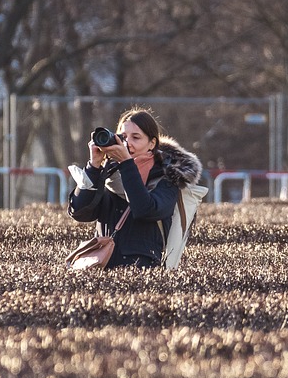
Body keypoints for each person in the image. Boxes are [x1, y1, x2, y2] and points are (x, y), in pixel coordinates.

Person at [68, 108, 203, 268]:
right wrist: (94, 166)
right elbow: (80, 212)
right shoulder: (110, 173)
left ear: (152, 143)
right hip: (101, 267)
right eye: (123, 137)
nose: (127, 143)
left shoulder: (167, 177)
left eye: (136, 137)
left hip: (142, 272)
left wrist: (126, 164)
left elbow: (145, 209)